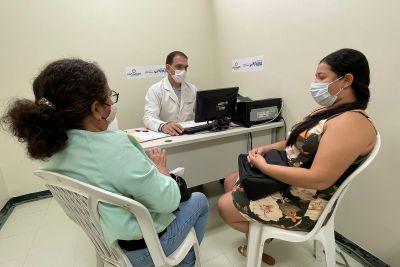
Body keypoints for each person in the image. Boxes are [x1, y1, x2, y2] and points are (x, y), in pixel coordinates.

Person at [1, 59, 208, 267]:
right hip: (144, 249)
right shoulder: (116, 146)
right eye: (110, 97)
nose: (112, 103)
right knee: (199, 199)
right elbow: (168, 202)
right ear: (97, 109)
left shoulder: (50, 149)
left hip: (108, 241)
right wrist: (162, 171)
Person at [217, 48, 377, 265]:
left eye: (321, 77)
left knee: (224, 206)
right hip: (289, 176)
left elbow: (319, 178)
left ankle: (261, 238)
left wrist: (263, 167)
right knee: (229, 180)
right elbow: (298, 140)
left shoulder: (352, 123)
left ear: (346, 80)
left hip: (306, 197)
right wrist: (267, 148)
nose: (315, 83)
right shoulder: (328, 111)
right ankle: (256, 237)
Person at [143, 51, 197, 135]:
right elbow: (148, 118)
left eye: (185, 67)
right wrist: (163, 126)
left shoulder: (192, 89)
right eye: (179, 67)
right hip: (167, 135)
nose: (183, 71)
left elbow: (201, 113)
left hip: (188, 134)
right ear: (168, 68)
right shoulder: (155, 89)